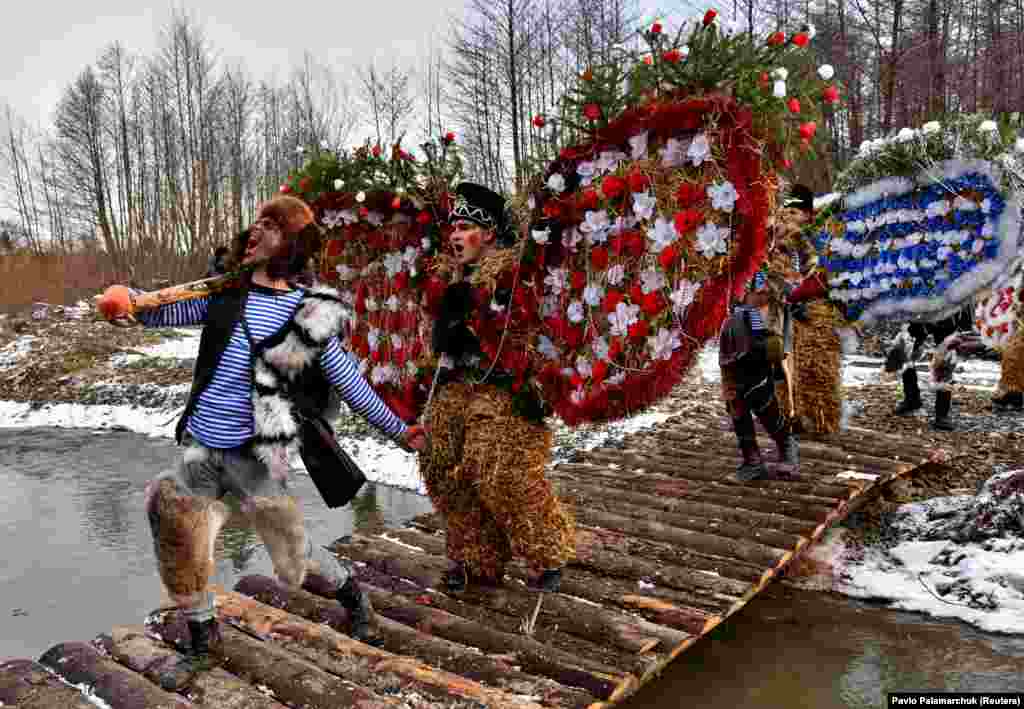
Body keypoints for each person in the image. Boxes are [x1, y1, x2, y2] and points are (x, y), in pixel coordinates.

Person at [100, 195, 426, 687]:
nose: (256, 230)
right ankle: (203, 633)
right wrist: (128, 303)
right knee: (175, 529)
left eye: (272, 226)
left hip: (256, 458)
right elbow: (156, 313)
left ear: (292, 245)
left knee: (294, 555)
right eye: (257, 221)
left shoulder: (306, 319)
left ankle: (351, 594)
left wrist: (402, 432)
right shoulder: (222, 294)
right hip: (200, 449)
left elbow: (352, 385)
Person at [420, 182, 576, 593]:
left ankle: (546, 552)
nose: (455, 235)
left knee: (495, 467)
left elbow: (520, 330)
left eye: (466, 227)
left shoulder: (513, 270)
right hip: (458, 386)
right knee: (440, 463)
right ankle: (477, 557)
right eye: (452, 227)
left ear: (488, 233)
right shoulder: (447, 277)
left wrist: (474, 310)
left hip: (506, 388)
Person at [718, 270, 800, 482]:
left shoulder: (775, 307)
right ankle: (752, 462)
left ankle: (787, 447)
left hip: (758, 362)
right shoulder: (738, 304)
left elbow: (778, 348)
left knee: (765, 407)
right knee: (736, 406)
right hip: (732, 354)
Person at [884, 306, 974, 430]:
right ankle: (912, 399)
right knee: (905, 349)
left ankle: (942, 415)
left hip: (949, 310)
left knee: (945, 359)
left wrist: (965, 320)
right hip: (921, 308)